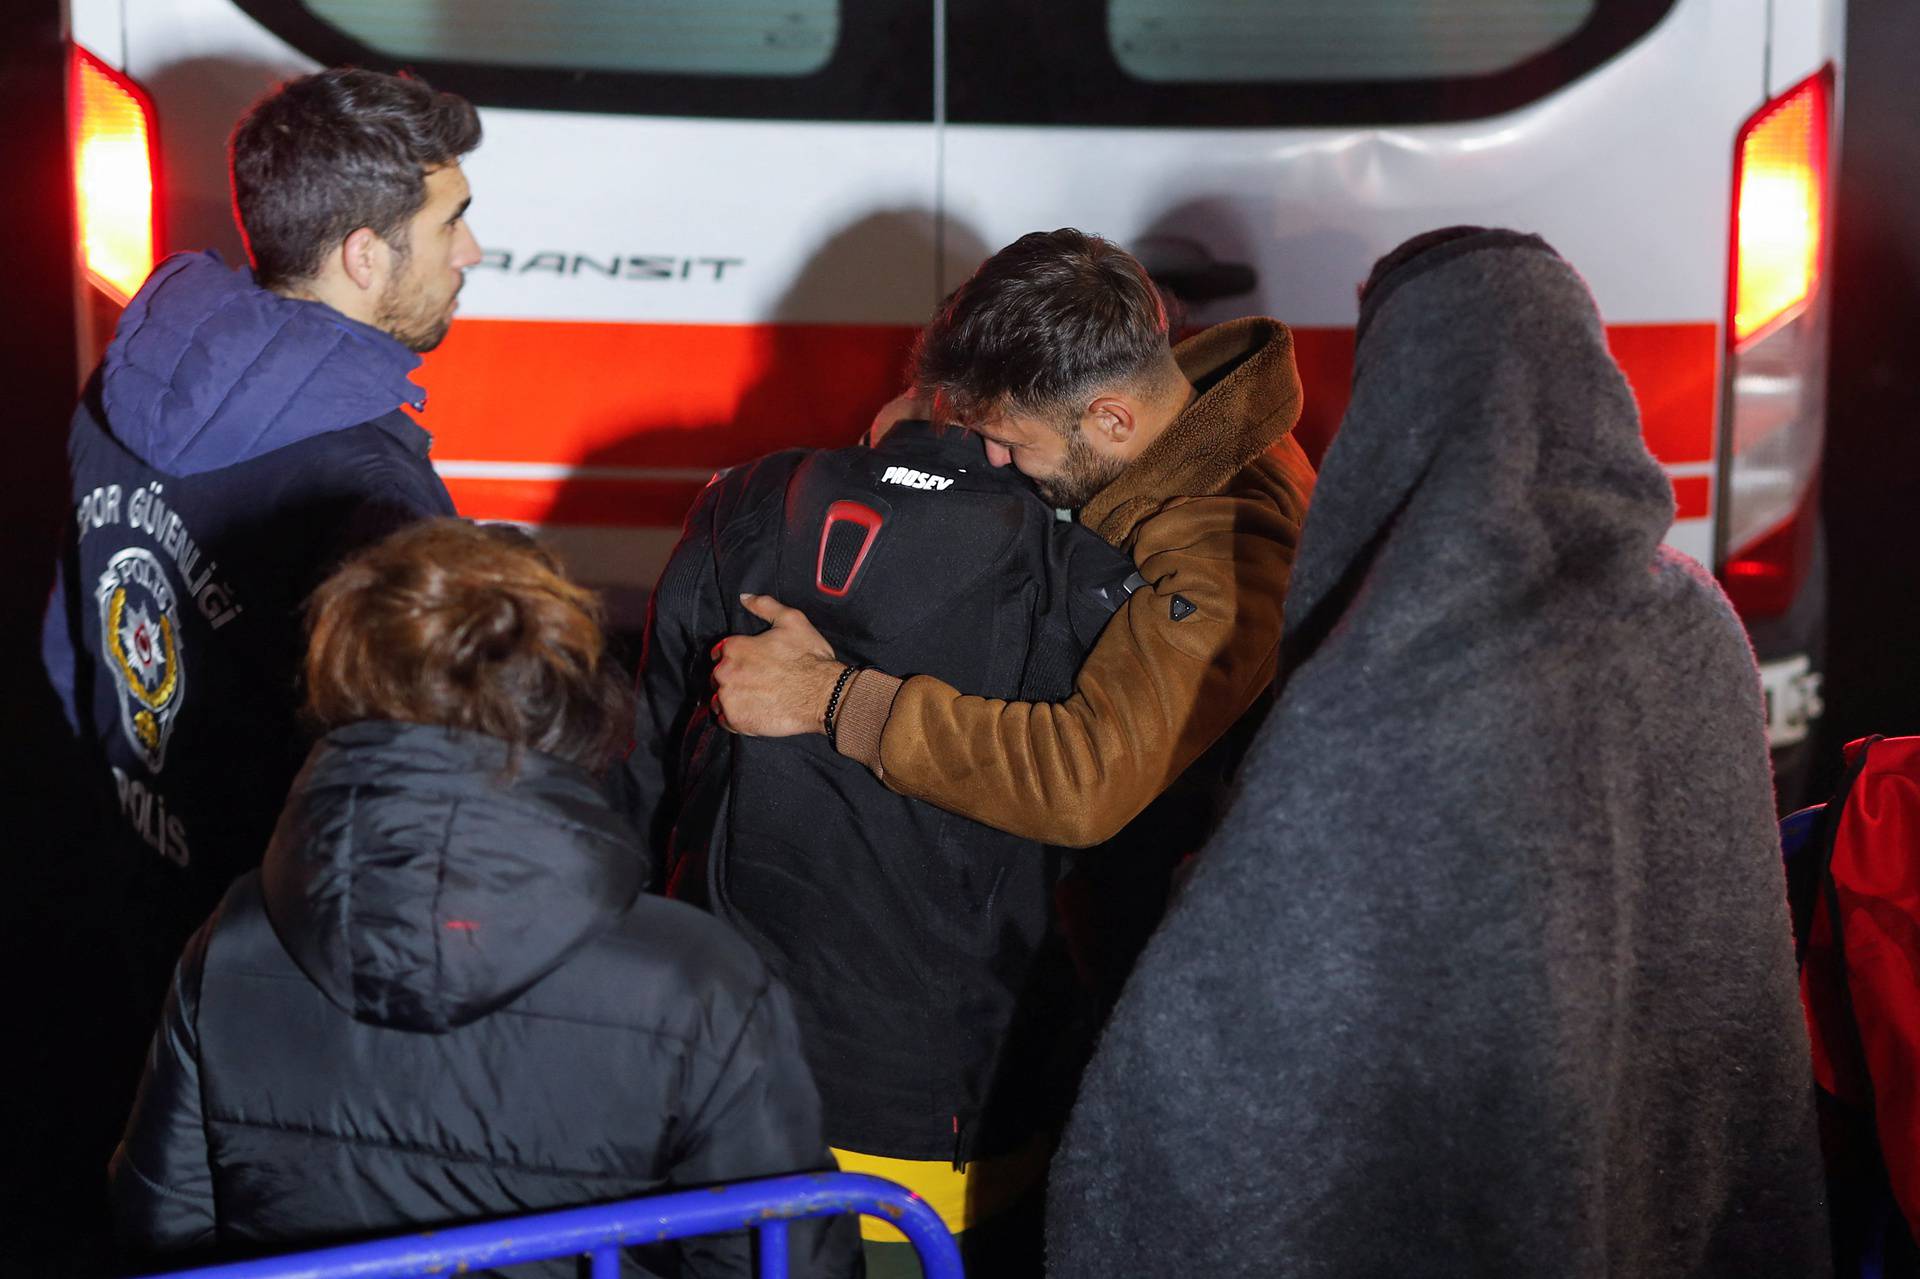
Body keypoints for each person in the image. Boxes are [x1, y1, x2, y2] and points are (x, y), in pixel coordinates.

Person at [1046, 228, 1832, 1276]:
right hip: (1662, 1200)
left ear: (1404, 406)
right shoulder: (1700, 629)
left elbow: (1215, 1052)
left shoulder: (1382, 680)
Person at [109, 520, 854, 1279]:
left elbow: (165, 1225)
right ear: (573, 704)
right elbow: (786, 1262)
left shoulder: (232, 944)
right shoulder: (699, 981)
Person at [627, 416, 1135, 1276]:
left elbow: (642, 768)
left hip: (707, 1074)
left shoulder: (745, 499)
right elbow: (1121, 865)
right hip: (931, 1130)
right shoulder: (1083, 564)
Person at [40, 68, 480, 1027]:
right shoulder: (374, 493)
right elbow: (399, 799)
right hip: (262, 974)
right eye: (452, 223)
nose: (473, 253)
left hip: (120, 900)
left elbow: (72, 660)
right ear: (365, 256)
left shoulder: (122, 383)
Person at [708, 228, 1316, 862]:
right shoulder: (1181, 419)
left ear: (1111, 419)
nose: (995, 457)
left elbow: (1083, 783)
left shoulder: (1230, 553)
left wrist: (829, 698)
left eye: (1013, 442)